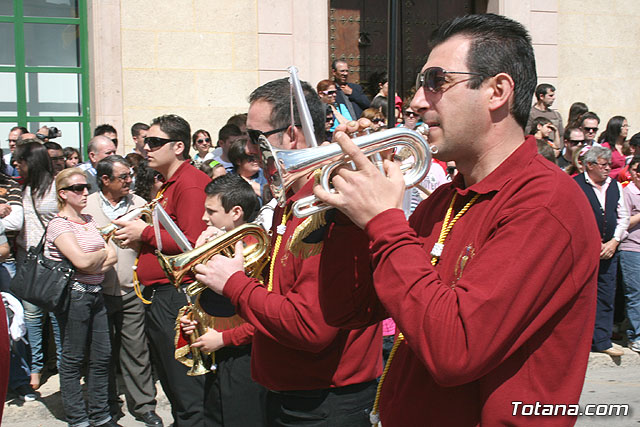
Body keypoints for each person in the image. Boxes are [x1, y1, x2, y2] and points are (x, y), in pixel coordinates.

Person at [313, 14, 600, 426]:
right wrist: (349, 216)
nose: (416, 102)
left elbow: (455, 351)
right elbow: (348, 310)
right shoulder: (447, 199)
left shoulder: (546, 202)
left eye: (436, 81)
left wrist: (386, 222)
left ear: (497, 91)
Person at [195, 78, 382, 426]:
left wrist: (234, 284)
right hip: (295, 392)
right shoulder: (292, 200)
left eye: (255, 137)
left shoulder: (327, 204)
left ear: (292, 135)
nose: (247, 149)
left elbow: (311, 328)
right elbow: (282, 291)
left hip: (324, 401)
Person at [112, 114, 210, 426]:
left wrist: (142, 233)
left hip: (176, 296)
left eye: (155, 142)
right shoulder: (169, 184)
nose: (146, 147)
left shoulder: (190, 184)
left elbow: (192, 243)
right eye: (145, 141)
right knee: (173, 381)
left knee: (185, 386)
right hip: (161, 294)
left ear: (179, 146)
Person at [83, 155, 163, 426]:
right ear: (105, 180)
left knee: (136, 351)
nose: (129, 181)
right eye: (123, 177)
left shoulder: (140, 205)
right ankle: (107, 408)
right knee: (101, 353)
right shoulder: (87, 207)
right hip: (98, 292)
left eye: (130, 175)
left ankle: (144, 407)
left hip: (132, 291)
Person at [180, 174, 266, 426]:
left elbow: (265, 315)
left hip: (245, 360)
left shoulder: (257, 249)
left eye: (211, 211)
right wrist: (195, 323)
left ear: (236, 212)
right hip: (217, 355)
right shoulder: (218, 244)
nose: (204, 218)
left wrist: (223, 338)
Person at [45, 168, 119, 427]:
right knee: (73, 359)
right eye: (77, 188)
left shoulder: (87, 220)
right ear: (63, 194)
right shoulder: (58, 225)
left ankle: (101, 415)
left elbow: (112, 256)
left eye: (86, 186)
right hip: (74, 297)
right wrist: (96, 258)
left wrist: (92, 261)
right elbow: (81, 260)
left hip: (96, 294)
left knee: (102, 356)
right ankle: (78, 418)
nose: (84, 192)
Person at [14, 140, 62, 391]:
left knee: (56, 320)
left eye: (19, 161)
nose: (15, 165)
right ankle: (36, 368)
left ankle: (65, 369)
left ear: (30, 161)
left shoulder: (56, 187)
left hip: (53, 263)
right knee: (32, 319)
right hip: (28, 262)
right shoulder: (23, 188)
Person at [574, 146, 629, 357]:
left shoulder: (615, 186)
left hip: (609, 250)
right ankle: (580, 340)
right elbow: (573, 216)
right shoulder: (576, 185)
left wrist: (614, 241)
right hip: (584, 251)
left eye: (609, 165)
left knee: (606, 294)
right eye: (603, 165)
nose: (608, 169)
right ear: (590, 165)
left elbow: (623, 216)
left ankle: (602, 340)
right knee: (581, 295)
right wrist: (591, 242)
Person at [619, 155, 640, 353]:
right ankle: (636, 336)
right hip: (632, 249)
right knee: (636, 295)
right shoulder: (627, 192)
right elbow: (624, 222)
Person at [227, 137, 267, 203]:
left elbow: (269, 196)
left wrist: (249, 183)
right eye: (251, 158)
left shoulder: (265, 175)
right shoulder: (229, 179)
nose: (256, 160)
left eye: (257, 156)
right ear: (238, 161)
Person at [526, 83, 563, 147]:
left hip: (554, 151)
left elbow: (561, 135)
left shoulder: (556, 115)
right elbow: (527, 135)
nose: (554, 98)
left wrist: (558, 150)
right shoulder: (530, 114)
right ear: (541, 96)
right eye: (550, 96)